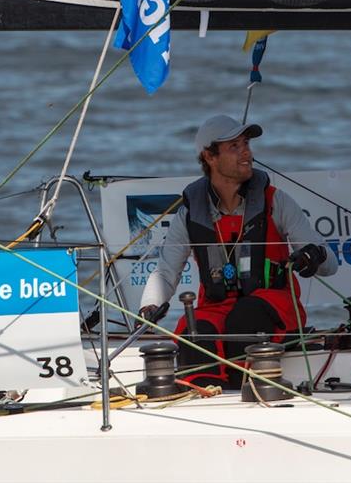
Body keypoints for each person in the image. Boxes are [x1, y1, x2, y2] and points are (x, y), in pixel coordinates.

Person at [139, 114, 338, 387]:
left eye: (246, 144)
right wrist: (148, 305)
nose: (246, 152)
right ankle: (205, 397)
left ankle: (245, 393)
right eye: (234, 146)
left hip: (274, 306)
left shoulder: (276, 201)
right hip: (217, 308)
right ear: (210, 157)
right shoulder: (189, 213)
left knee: (244, 316)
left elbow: (331, 265)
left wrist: (314, 256)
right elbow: (166, 271)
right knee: (193, 329)